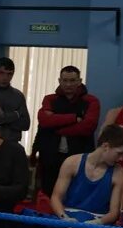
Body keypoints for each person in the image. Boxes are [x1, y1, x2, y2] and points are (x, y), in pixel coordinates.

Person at [33, 66, 100, 196]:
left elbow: (87, 127)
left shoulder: (91, 101)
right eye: (65, 80)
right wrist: (74, 118)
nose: (68, 84)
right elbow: (44, 121)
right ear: (59, 81)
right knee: (48, 194)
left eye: (72, 80)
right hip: (50, 157)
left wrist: (57, 127)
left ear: (79, 81)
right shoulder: (50, 99)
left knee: (76, 195)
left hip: (79, 156)